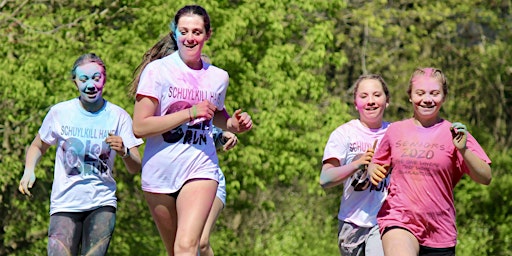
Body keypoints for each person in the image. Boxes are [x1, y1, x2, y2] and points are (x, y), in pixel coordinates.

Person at [130, 5, 252, 256]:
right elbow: (140, 126)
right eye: (184, 31)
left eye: (197, 32)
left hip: (200, 166)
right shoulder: (157, 71)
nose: (190, 37)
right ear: (175, 33)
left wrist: (234, 125)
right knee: (174, 251)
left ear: (207, 35)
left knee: (187, 246)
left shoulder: (218, 77)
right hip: (159, 172)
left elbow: (218, 115)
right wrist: (189, 113)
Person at [18, 53, 143, 256]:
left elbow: (135, 166)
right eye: (84, 79)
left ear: (105, 79)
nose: (91, 85)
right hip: (65, 203)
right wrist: (29, 170)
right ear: (75, 82)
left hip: (101, 203)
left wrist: (125, 152)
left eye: (96, 78)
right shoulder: (60, 112)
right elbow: (37, 146)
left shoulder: (118, 116)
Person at [368, 67, 492, 256]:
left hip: (440, 230)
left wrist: (463, 149)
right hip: (398, 219)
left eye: (434, 93)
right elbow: (378, 163)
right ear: (410, 96)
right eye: (420, 93)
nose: (427, 99)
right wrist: (372, 169)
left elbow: (486, 177)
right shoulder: (395, 130)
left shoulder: (454, 133)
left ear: (443, 97)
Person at [320, 74, 391, 256]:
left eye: (377, 95)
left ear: (387, 101)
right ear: (355, 103)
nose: (371, 101)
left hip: (385, 221)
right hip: (351, 223)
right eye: (364, 96)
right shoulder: (344, 134)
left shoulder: (396, 133)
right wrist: (357, 165)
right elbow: (325, 179)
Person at [199, 126, 238, 256]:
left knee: (201, 242)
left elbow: (211, 137)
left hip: (210, 178)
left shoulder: (207, 106)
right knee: (181, 244)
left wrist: (222, 137)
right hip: (175, 181)